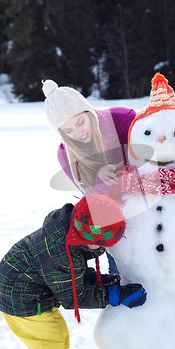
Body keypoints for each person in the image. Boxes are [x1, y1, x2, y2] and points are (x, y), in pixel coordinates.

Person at [0, 194, 147, 349]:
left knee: (59, 340)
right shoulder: (60, 253)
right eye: (102, 243)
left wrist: (101, 280)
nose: (104, 248)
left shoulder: (71, 234)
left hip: (34, 292)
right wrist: (116, 295)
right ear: (88, 235)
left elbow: (72, 277)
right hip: (19, 298)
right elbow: (75, 297)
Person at [42, 79, 136, 273]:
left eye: (80, 122)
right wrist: (99, 178)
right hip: (117, 228)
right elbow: (93, 202)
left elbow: (155, 161)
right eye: (68, 131)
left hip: (151, 213)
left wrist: (125, 173)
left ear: (89, 112)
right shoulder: (65, 154)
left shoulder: (123, 119)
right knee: (126, 279)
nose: (78, 133)